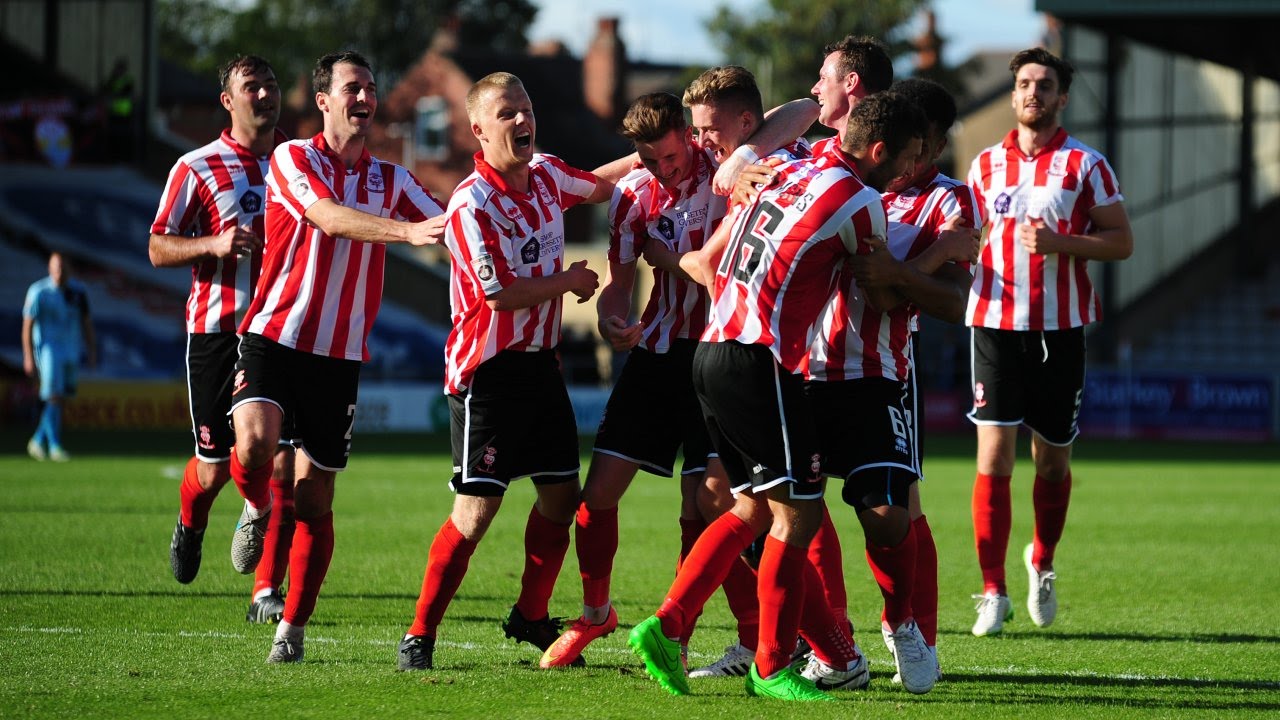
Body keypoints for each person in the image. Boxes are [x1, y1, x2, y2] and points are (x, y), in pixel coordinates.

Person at [628, 92, 927, 702]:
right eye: (903, 161)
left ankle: (668, 624)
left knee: (750, 509)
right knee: (801, 514)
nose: (906, 174)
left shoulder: (787, 166)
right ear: (877, 152)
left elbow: (791, 121)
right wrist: (944, 255)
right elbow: (878, 283)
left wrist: (740, 160)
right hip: (761, 359)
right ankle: (771, 666)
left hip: (711, 348)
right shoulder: (864, 202)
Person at [227, 50, 445, 663]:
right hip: (274, 335)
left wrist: (524, 202)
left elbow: (455, 226)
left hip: (338, 357)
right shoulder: (292, 157)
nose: (364, 97)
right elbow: (325, 217)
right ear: (323, 100)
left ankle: (291, 629)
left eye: (371, 88)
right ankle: (255, 506)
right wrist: (404, 232)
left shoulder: (392, 178)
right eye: (352, 87)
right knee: (254, 447)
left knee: (317, 501)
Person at [396, 72, 613, 672]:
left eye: (527, 107)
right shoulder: (469, 204)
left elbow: (600, 185)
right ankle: (420, 632)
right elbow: (499, 296)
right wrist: (570, 281)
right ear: (478, 130)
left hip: (542, 369)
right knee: (475, 513)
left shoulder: (545, 176)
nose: (522, 120)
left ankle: (530, 614)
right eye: (507, 112)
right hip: (488, 375)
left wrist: (663, 158)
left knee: (561, 498)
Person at [801, 77, 979, 695]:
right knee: (797, 512)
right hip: (800, 369)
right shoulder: (824, 167)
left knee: (888, 515)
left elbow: (957, 302)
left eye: (918, 148)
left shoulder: (950, 200)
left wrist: (903, 271)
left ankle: (905, 624)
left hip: (880, 372)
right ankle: (827, 643)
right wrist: (740, 159)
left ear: (926, 146)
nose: (909, 161)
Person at [965, 48, 1132, 637]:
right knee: (993, 458)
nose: (1032, 92)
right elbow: (968, 236)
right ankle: (992, 589)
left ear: (1061, 97)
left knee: (1053, 462)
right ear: (1012, 96)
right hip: (992, 323)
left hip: (1059, 332)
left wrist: (1063, 244)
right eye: (1024, 84)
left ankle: (1043, 560)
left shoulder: (1087, 165)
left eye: (1044, 85)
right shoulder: (983, 166)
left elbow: (1120, 243)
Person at [149, 55, 297, 625]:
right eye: (251, 86)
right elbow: (158, 246)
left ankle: (265, 591)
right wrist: (211, 244)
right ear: (228, 102)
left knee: (279, 461)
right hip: (216, 331)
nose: (265, 94)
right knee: (213, 467)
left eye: (272, 83)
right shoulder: (197, 167)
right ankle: (192, 521)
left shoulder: (302, 162)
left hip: (281, 331)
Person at [22, 251, 95, 462]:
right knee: (52, 395)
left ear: (69, 270)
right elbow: (27, 326)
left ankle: (37, 440)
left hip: (71, 349)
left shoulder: (78, 292)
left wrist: (91, 349)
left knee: (60, 397)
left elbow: (86, 322)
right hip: (47, 349)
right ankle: (54, 446)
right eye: (56, 268)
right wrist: (28, 356)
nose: (59, 272)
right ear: (49, 268)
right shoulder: (39, 291)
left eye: (63, 268)